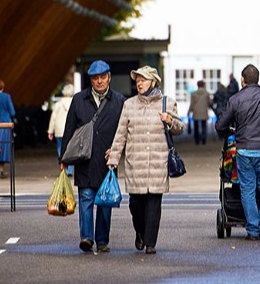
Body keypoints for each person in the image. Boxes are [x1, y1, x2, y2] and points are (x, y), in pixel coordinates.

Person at [107, 66, 185, 255]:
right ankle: (140, 232)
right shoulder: (129, 104)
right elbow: (121, 134)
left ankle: (150, 243)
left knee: (154, 205)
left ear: (153, 82)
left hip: (158, 162)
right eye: (137, 80)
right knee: (136, 205)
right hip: (136, 163)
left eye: (143, 80)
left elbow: (180, 128)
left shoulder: (167, 103)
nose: (139, 83)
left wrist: (169, 121)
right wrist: (114, 157)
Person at [215, 64, 260, 240]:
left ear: (242, 79)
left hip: (244, 150)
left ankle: (254, 230)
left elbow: (220, 125)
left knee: (247, 189)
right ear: (258, 79)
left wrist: (232, 131)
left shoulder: (236, 99)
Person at [61, 60, 125, 254]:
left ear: (109, 77)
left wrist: (117, 150)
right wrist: (63, 158)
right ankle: (87, 238)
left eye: (103, 77)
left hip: (108, 160)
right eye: (95, 78)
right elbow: (69, 128)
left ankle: (103, 240)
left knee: (105, 201)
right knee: (86, 198)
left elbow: (125, 131)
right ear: (90, 80)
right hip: (84, 158)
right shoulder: (79, 99)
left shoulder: (120, 101)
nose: (99, 81)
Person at [48, 83, 75, 175]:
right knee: (71, 149)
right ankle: (70, 170)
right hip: (71, 130)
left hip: (59, 130)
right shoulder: (75, 103)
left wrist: (50, 131)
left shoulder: (58, 104)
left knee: (60, 148)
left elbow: (53, 118)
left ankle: (63, 167)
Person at [189, 80, 214, 145]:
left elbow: (192, 103)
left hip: (196, 111)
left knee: (196, 126)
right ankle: (203, 139)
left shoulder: (193, 94)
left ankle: (197, 139)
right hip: (204, 111)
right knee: (204, 125)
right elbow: (210, 103)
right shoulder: (207, 93)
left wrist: (190, 110)